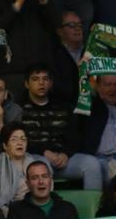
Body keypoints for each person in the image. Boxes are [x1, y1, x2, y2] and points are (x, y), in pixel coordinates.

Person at [20, 62, 102, 190]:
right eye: (35, 79)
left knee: (92, 164)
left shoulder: (63, 107)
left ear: (51, 83)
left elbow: (75, 137)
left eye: (45, 79)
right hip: (36, 157)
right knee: (41, 166)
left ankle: (94, 209)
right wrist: (44, 152)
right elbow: (19, 141)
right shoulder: (19, 109)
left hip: (62, 159)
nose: (41, 83)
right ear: (26, 84)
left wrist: (66, 154)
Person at [6, 160, 78, 219]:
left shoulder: (68, 208)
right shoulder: (16, 209)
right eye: (35, 178)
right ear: (28, 184)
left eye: (44, 176)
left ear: (51, 180)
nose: (41, 181)